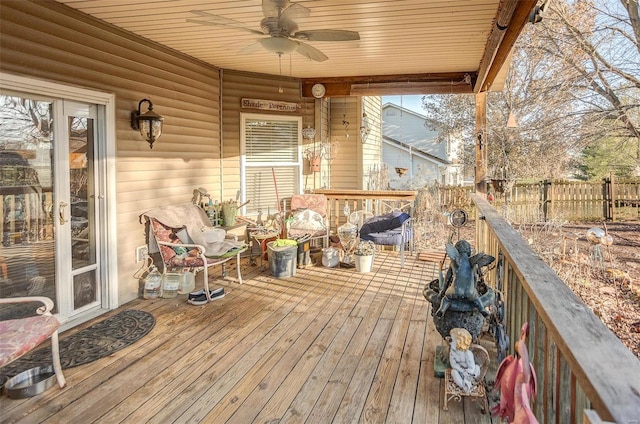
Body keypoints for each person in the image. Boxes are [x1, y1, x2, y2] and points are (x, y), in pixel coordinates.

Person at [449, 327, 480, 393]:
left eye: (452, 340)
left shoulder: (467, 354)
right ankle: (463, 386)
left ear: (459, 343)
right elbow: (453, 364)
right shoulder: (452, 352)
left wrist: (467, 375)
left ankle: (470, 383)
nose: (450, 343)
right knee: (453, 372)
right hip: (460, 371)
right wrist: (462, 371)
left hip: (470, 373)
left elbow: (472, 367)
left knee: (477, 368)